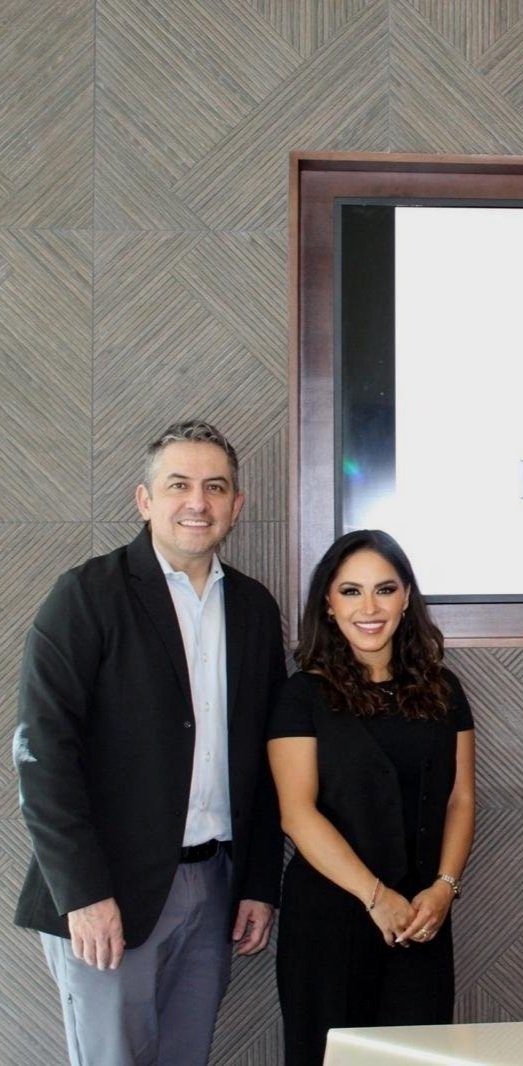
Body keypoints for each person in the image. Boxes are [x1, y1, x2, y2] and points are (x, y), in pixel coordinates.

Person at [13, 420, 287, 1066]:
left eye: (216, 487)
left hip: (214, 885)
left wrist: (258, 882)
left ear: (236, 506)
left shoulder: (252, 610)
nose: (198, 502)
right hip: (109, 891)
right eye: (179, 484)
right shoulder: (87, 596)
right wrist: (82, 893)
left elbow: (268, 761)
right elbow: (42, 755)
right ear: (144, 500)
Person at [268, 529, 475, 1064]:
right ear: (329, 605)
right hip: (330, 920)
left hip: (422, 920)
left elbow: (460, 800)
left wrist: (444, 890)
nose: (369, 607)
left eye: (384, 589)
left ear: (406, 597)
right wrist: (378, 898)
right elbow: (297, 814)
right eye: (351, 591)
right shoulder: (301, 696)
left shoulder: (444, 689)